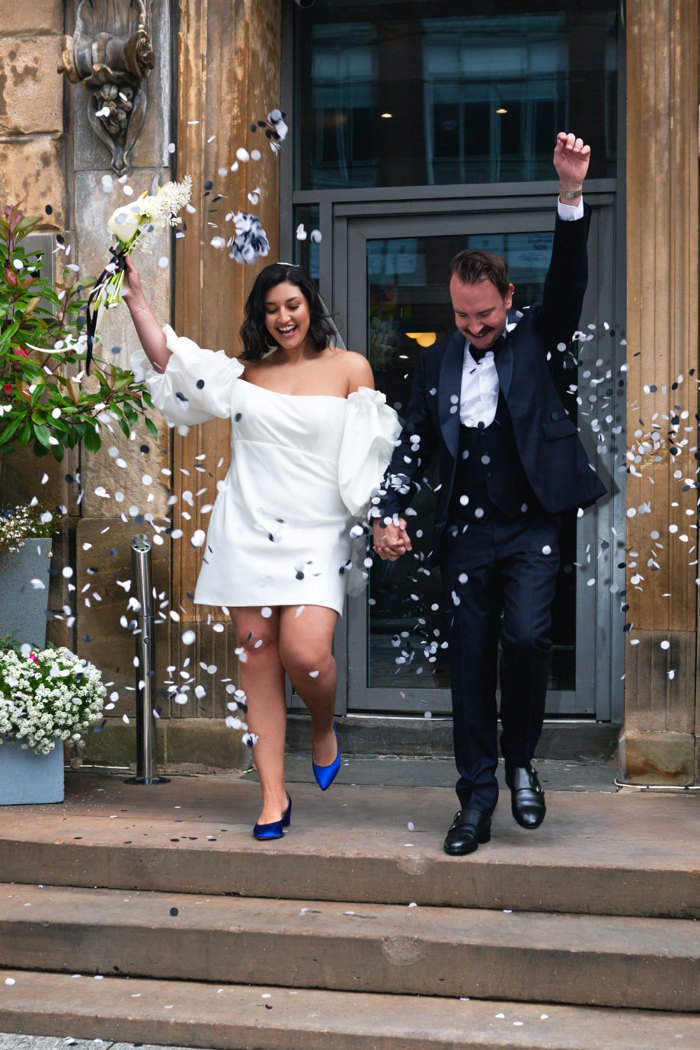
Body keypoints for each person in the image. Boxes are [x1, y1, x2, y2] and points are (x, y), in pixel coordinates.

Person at [372, 132, 606, 856]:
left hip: (531, 523)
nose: (475, 330)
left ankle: (523, 762)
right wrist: (389, 508)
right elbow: (414, 439)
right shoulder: (437, 359)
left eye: (486, 316)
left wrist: (570, 195)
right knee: (471, 663)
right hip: (465, 535)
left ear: (508, 298)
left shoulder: (538, 335)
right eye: (462, 317)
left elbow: (568, 282)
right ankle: (474, 800)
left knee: (529, 639)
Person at [124, 259, 400, 840]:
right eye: (271, 309)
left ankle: (322, 726)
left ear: (311, 307)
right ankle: (273, 795)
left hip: (317, 532)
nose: (283, 318)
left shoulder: (351, 368)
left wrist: (381, 520)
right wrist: (137, 299)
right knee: (257, 655)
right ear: (261, 316)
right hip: (247, 529)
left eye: (292, 306)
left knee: (306, 655)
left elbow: (372, 454)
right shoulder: (243, 374)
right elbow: (168, 362)